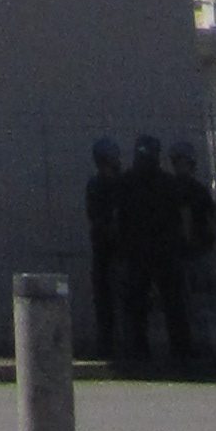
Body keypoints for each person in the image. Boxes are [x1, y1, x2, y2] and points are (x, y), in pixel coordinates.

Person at [117, 134, 177, 368]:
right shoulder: (165, 182)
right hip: (155, 249)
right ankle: (177, 346)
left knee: (144, 302)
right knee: (164, 300)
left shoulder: (127, 182)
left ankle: (141, 347)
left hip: (143, 249)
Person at [83, 141, 124, 360]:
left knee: (108, 299)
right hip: (111, 250)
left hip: (107, 249)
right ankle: (112, 343)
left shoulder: (99, 184)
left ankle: (111, 343)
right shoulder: (109, 185)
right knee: (110, 298)